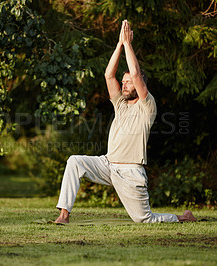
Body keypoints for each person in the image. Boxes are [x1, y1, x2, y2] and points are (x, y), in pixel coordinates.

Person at [54, 20, 197, 224]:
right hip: (108, 164)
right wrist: (120, 44)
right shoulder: (120, 104)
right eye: (124, 82)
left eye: (128, 82)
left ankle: (183, 217)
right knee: (75, 161)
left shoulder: (148, 106)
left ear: (140, 86)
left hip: (131, 172)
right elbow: (108, 75)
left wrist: (129, 44)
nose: (124, 84)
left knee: (144, 219)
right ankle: (64, 214)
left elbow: (137, 74)